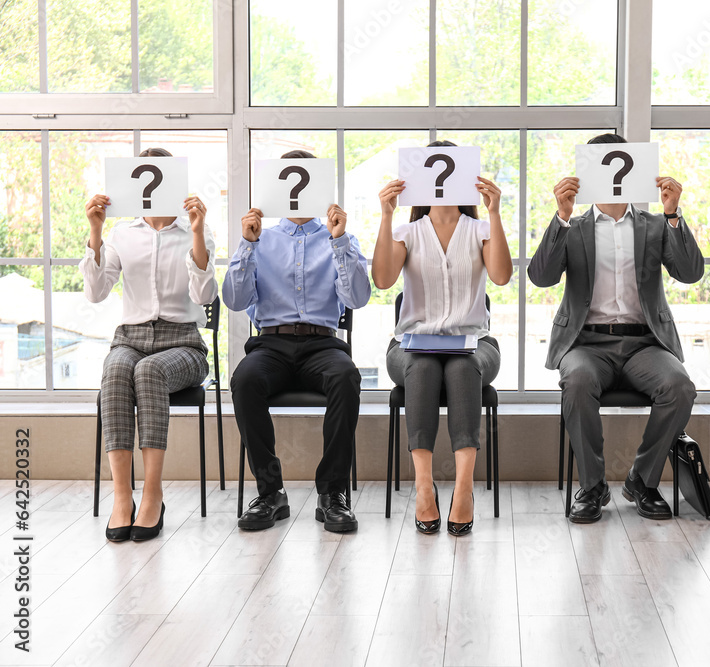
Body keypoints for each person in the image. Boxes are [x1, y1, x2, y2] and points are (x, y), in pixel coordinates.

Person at [527, 133, 704, 524]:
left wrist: (674, 213)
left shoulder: (655, 225)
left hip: (645, 344)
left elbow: (691, 273)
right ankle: (592, 486)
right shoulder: (572, 227)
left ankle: (642, 479)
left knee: (680, 387)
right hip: (587, 344)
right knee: (576, 383)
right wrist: (560, 216)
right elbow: (540, 277)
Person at [223, 149, 371, 533]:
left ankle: (332, 494)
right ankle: (271, 493)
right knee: (244, 380)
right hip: (270, 345)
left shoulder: (341, 239)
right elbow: (236, 302)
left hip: (322, 345)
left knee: (346, 378)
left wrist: (339, 243)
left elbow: (357, 299)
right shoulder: (260, 239)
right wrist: (247, 246)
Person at [372, 140, 513, 536]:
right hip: (412, 345)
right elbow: (383, 280)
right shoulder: (406, 232)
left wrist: (495, 212)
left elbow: (501, 276)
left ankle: (464, 488)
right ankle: (423, 486)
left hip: (473, 343)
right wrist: (386, 215)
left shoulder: (482, 230)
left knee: (463, 368)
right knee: (423, 368)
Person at [82, 147, 216, 542]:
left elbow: (205, 295)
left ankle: (153, 494)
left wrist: (196, 232)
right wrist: (95, 232)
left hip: (184, 344)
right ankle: (122, 496)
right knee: (117, 369)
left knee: (149, 370)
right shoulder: (124, 234)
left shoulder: (198, 231)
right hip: (131, 338)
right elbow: (95, 292)